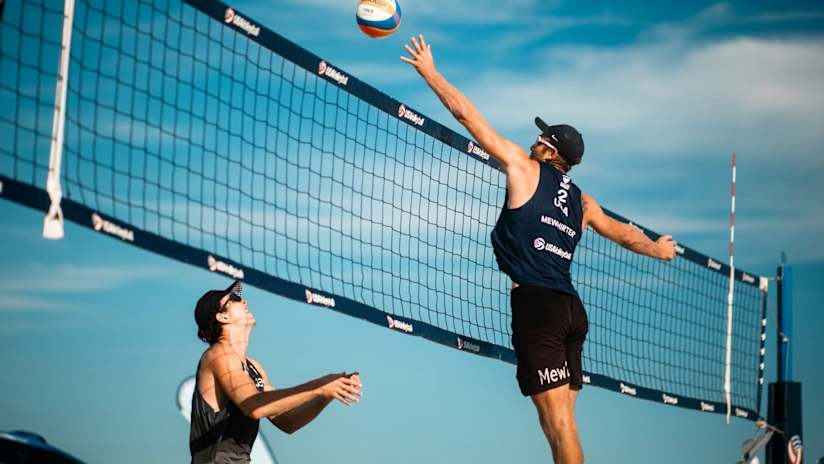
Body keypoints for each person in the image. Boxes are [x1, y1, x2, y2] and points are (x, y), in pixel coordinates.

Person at [401, 35, 677, 464]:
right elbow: (623, 233)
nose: (532, 140)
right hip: (570, 309)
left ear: (549, 149)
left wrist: (430, 73)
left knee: (559, 426)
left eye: (539, 137)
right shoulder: (584, 202)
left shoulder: (524, 168)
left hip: (539, 306)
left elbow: (467, 117)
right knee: (562, 425)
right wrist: (657, 250)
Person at [190, 280, 362, 463]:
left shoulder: (252, 367)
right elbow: (254, 406)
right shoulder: (218, 355)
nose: (244, 301)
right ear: (222, 317)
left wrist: (329, 392)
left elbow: (288, 422)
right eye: (235, 298)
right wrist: (320, 387)